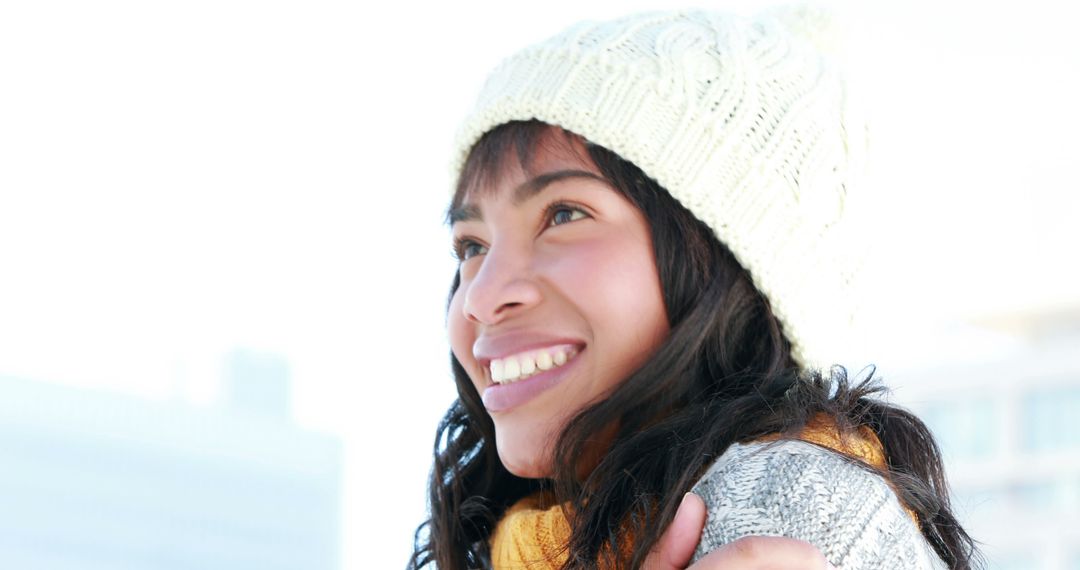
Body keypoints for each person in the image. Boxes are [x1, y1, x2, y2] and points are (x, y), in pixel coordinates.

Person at [409, 7, 978, 570]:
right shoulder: (515, 544)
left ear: (727, 256)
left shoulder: (784, 515)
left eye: (563, 215)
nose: (482, 298)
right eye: (471, 247)